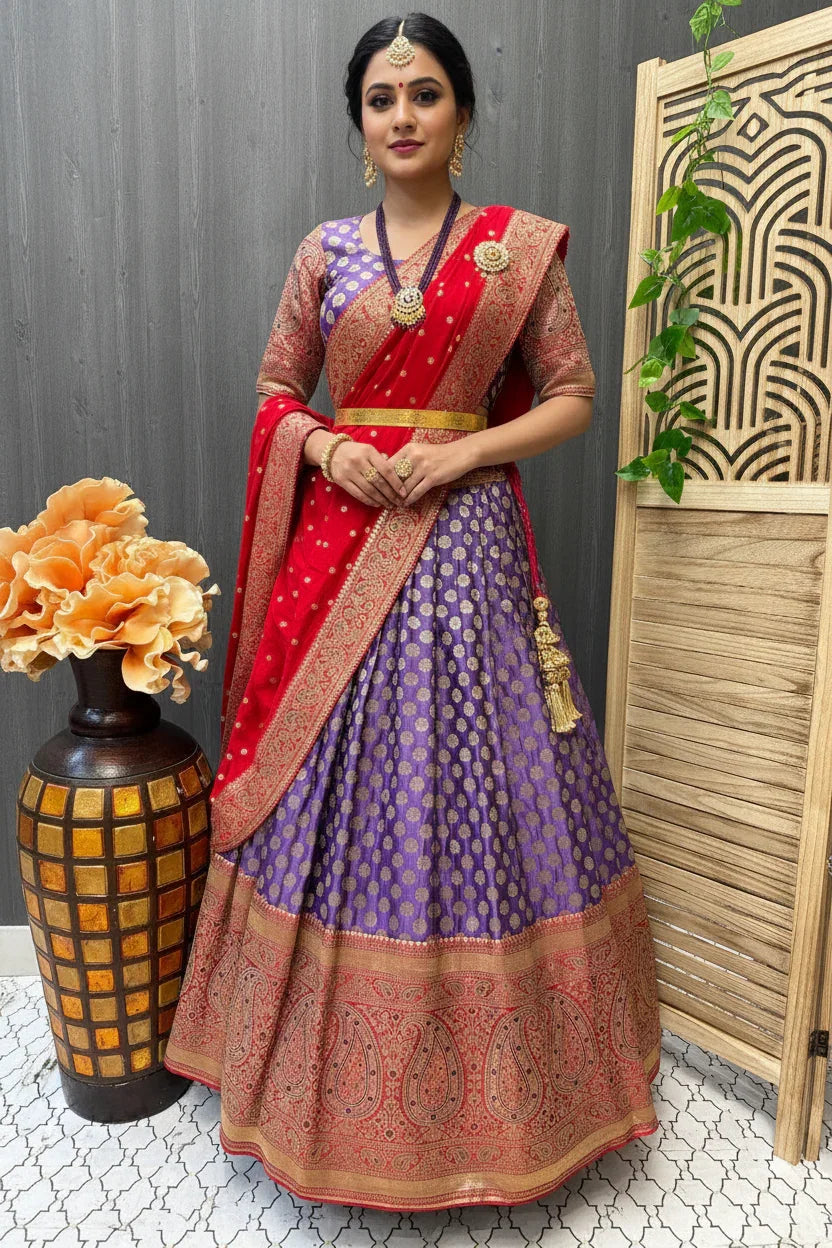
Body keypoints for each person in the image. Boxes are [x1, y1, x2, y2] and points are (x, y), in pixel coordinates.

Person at [163, 11, 661, 1212]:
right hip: (338, 552)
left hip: (466, 547)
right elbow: (276, 390)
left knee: (475, 775)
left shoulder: (513, 251)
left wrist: (462, 452)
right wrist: (330, 450)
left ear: (462, 113)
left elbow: (576, 396)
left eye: (424, 93)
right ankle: (299, 1083)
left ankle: (516, 1101)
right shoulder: (325, 252)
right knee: (339, 776)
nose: (402, 116)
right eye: (381, 98)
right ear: (359, 120)